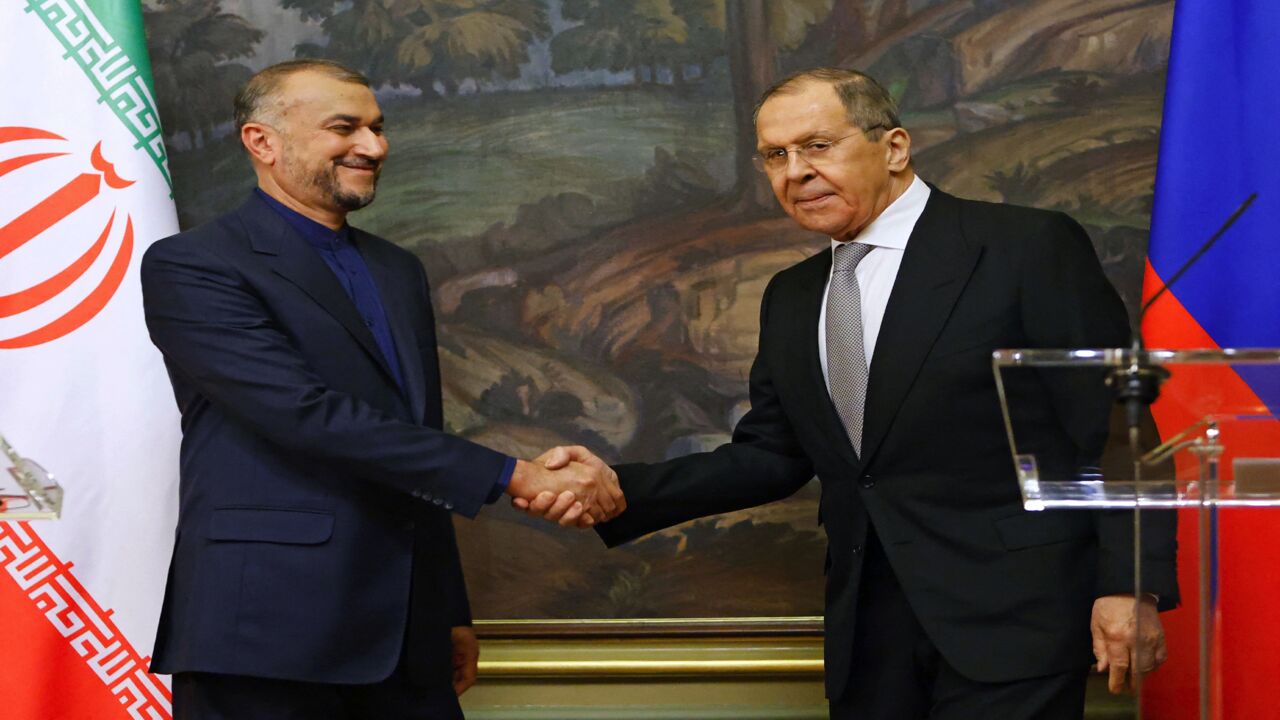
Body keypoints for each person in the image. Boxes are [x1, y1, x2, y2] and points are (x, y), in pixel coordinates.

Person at [521, 68, 1178, 719]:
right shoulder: (793, 296)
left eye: (817, 145)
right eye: (775, 156)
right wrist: (618, 489)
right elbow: (771, 455)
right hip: (870, 639)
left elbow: (1115, 431)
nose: (794, 172)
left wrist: (1132, 585)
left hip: (1013, 623)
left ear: (893, 148)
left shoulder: (1025, 248)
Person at [140, 59, 622, 720]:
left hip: (406, 636)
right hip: (264, 634)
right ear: (262, 142)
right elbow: (305, 415)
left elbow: (418, 439)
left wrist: (446, 606)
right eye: (346, 128)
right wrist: (516, 474)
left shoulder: (397, 269)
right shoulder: (193, 265)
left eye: (377, 128)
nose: (375, 147)